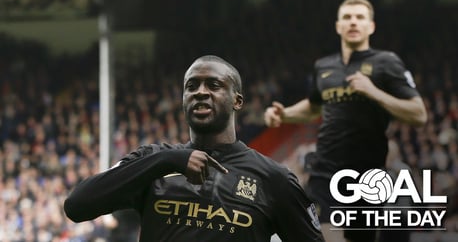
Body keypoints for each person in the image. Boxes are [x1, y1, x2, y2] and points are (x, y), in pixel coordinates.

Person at [64, 55, 324, 242]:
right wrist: (167, 160)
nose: (200, 92)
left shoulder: (273, 178)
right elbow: (77, 206)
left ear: (238, 101)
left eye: (214, 85)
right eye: (192, 86)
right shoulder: (152, 162)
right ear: (183, 99)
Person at [264, 0, 427, 242]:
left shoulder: (387, 63)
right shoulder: (324, 66)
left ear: (371, 26)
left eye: (360, 17)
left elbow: (418, 114)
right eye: (347, 17)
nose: (353, 22)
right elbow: (314, 106)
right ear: (338, 25)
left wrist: (374, 92)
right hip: (326, 173)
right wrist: (285, 114)